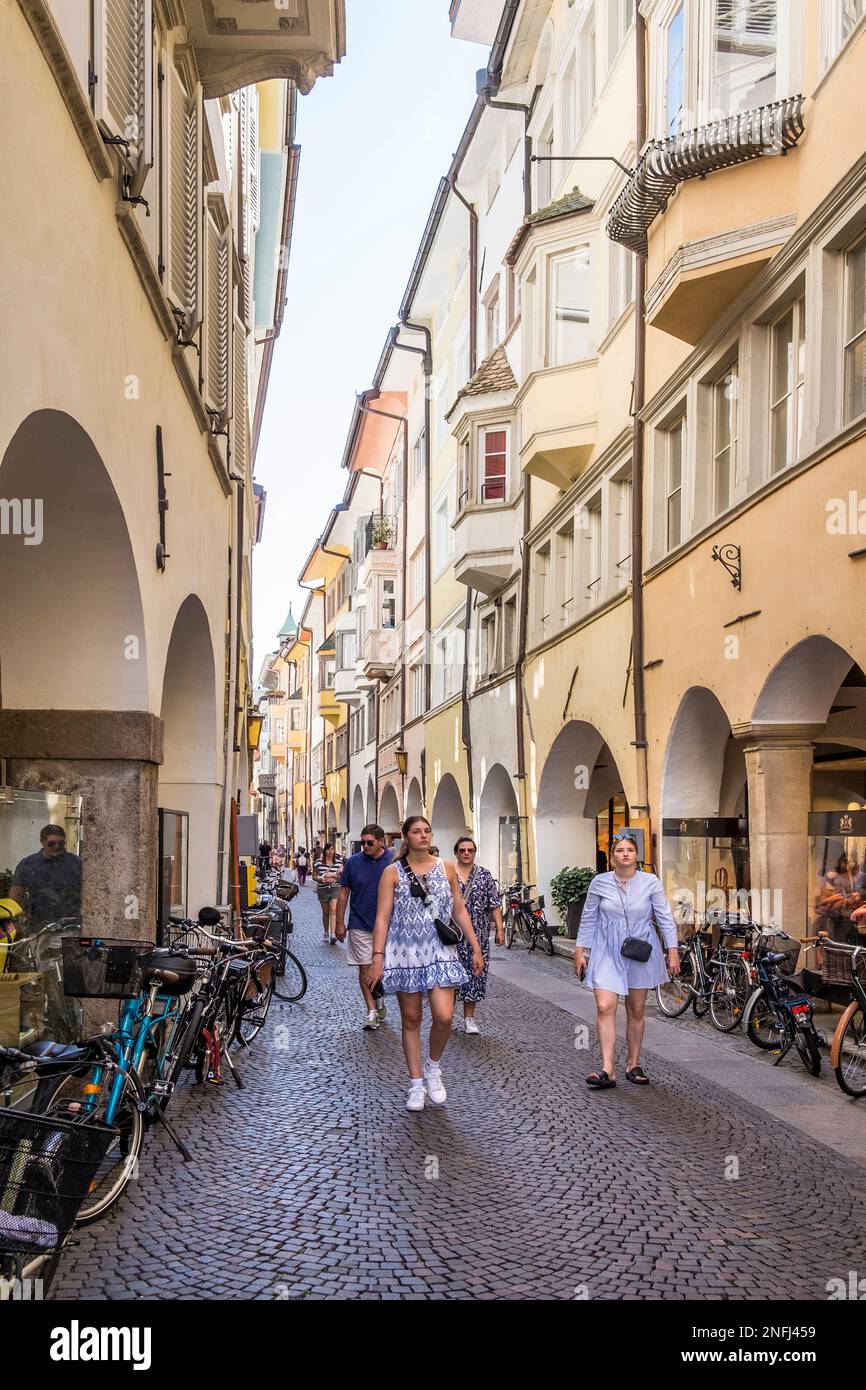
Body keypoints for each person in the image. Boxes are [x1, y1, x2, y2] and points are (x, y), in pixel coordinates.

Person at [365, 816, 484, 1111]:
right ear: (405, 836)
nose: (423, 835)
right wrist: (377, 958)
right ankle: (416, 1083)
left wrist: (476, 946)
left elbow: (459, 909)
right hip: (405, 952)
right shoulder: (392, 873)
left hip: (440, 951)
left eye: (427, 831)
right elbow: (382, 918)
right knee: (412, 1019)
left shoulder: (446, 868)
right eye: (416, 831)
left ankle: (433, 1067)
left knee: (444, 1016)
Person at [573, 832, 679, 1089]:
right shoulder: (599, 883)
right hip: (607, 948)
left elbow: (664, 916)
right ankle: (608, 1069)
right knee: (605, 1005)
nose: (625, 854)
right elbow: (589, 917)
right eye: (620, 850)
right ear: (612, 857)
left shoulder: (650, 882)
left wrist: (672, 950)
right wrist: (580, 950)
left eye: (630, 849)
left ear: (636, 855)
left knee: (636, 1008)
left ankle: (633, 1063)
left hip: (640, 948)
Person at [335, 824, 393, 1030]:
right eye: (363, 843)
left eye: (370, 843)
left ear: (381, 842)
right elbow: (343, 894)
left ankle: (379, 996)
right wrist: (339, 922)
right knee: (365, 968)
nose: (365, 846)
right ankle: (371, 1011)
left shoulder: (394, 861)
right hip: (360, 923)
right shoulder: (353, 862)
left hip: (389, 925)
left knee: (382, 969)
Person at [452, 836, 504, 1034]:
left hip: (479, 934)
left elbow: (494, 904)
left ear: (474, 853)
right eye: (463, 850)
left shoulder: (484, 875)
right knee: (450, 975)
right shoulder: (448, 873)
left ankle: (469, 1018)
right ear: (456, 852)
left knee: (475, 975)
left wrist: (499, 929)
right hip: (453, 935)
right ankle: (446, 1015)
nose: (466, 853)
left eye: (470, 850)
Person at [10, 824, 82, 929]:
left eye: (61, 844)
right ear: (42, 842)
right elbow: (15, 895)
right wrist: (19, 920)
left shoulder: (76, 863)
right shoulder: (28, 864)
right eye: (52, 844)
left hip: (69, 927)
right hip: (38, 927)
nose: (57, 847)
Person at [313, 843, 343, 943]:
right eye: (329, 849)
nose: (331, 851)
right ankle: (326, 932)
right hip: (323, 888)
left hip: (335, 888)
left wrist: (334, 877)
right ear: (325, 851)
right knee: (326, 912)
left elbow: (342, 877)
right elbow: (314, 876)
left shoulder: (339, 863)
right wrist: (322, 879)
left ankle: (333, 934)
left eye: (332, 849)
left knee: (333, 910)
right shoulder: (318, 862)